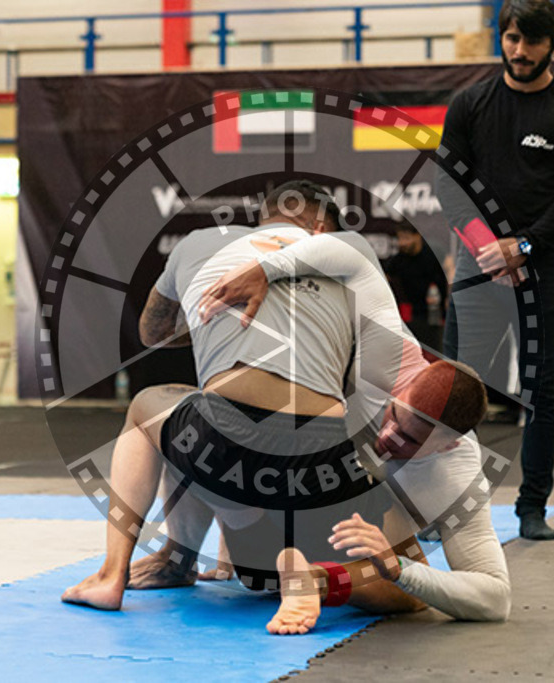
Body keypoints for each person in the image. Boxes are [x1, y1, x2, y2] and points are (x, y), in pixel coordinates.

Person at [62, 180, 423, 632]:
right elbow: (374, 370)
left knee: (154, 408)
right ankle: (317, 578)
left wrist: (213, 318)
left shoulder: (199, 244)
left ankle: (119, 573)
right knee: (412, 585)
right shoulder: (349, 251)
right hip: (324, 455)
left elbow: (152, 333)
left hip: (223, 451)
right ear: (319, 226)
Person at [129, 226, 512, 625]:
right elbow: (352, 253)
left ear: (449, 446)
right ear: (407, 386)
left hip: (353, 532)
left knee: (406, 596)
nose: (387, 437)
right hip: (298, 493)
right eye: (394, 416)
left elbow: (495, 598)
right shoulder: (384, 352)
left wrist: (399, 567)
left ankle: (314, 579)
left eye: (411, 441)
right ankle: (183, 554)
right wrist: (266, 269)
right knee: (204, 418)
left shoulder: (457, 473)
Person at [437, 0, 554, 541]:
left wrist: (523, 248)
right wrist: (490, 249)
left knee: (541, 393)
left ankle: (532, 506)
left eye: (532, 42)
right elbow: (450, 186)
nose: (520, 51)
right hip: (479, 265)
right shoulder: (471, 104)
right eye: (512, 38)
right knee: (457, 390)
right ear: (501, 38)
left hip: (542, 269)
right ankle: (447, 506)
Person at [382, 225, 449, 352]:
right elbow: (383, 277)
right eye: (400, 238)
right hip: (414, 316)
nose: (402, 243)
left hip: (437, 314)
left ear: (417, 236)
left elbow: (450, 269)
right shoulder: (399, 260)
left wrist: (449, 298)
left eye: (406, 238)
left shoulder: (433, 253)